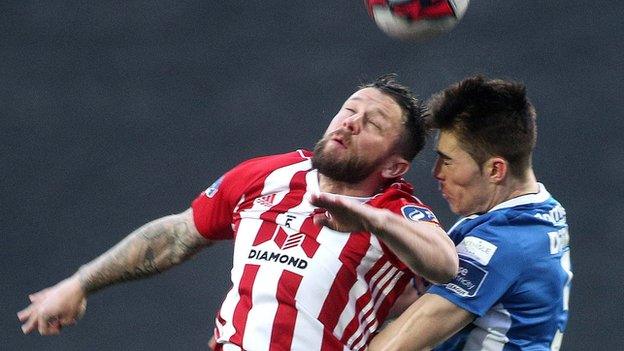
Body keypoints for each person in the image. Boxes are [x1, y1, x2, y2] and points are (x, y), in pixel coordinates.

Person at [18, 74, 459, 351]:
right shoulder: (270, 175)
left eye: (373, 123)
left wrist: (370, 220)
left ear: (395, 166)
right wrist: (81, 282)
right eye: (349, 109)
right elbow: (176, 236)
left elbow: (445, 263)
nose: (350, 122)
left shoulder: (396, 210)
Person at [369, 76, 572, 351]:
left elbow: (390, 347)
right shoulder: (541, 211)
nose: (437, 173)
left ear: (495, 170)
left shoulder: (498, 247)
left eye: (448, 160)